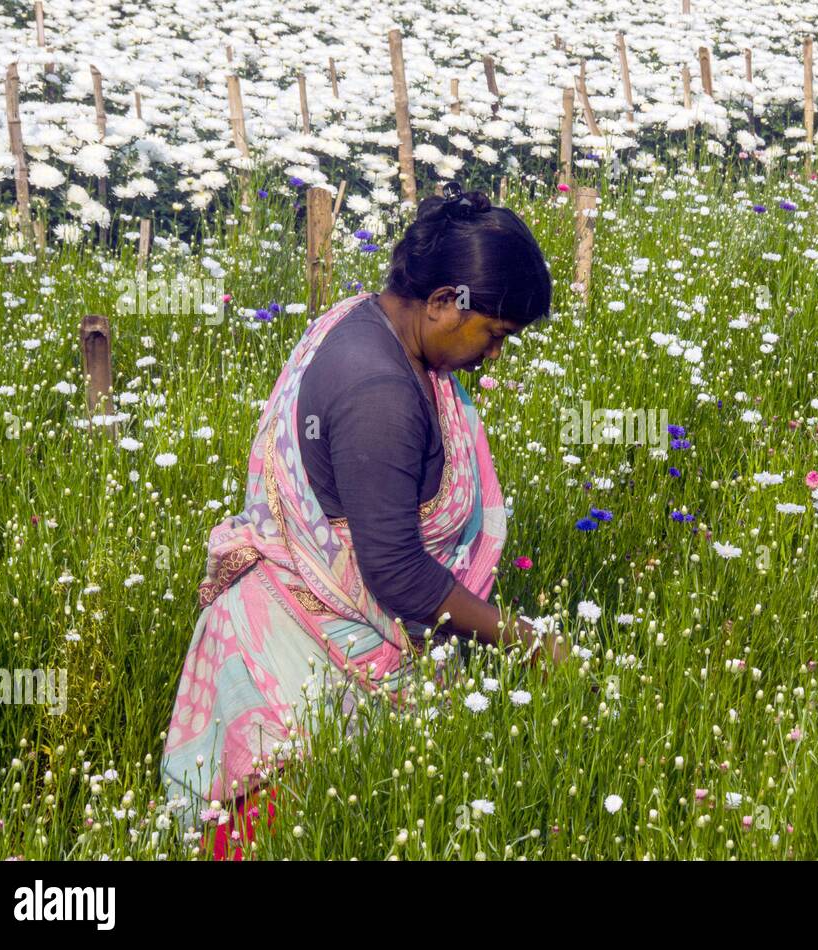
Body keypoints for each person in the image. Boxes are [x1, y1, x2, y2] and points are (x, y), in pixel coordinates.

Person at [161, 183, 566, 859]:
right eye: (494, 335)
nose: (495, 356)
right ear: (443, 303)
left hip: (299, 638)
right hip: (302, 672)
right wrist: (528, 642)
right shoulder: (378, 394)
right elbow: (397, 572)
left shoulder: (370, 321)